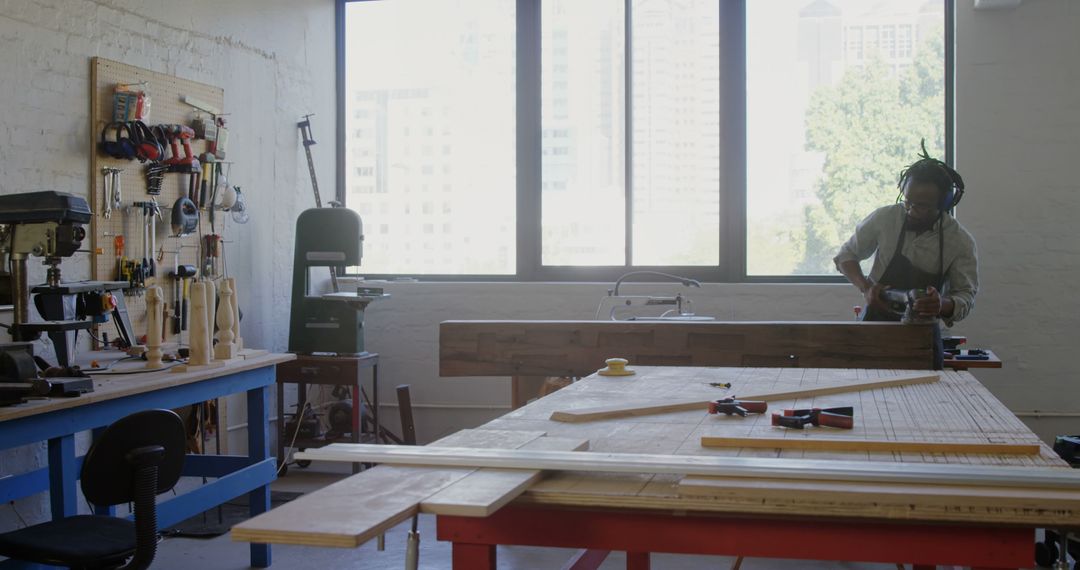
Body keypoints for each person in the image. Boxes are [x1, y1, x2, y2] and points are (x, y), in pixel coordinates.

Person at [833, 143, 979, 366]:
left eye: (921, 206)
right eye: (907, 201)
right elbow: (846, 256)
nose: (910, 210)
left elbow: (965, 296)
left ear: (943, 204)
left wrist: (941, 304)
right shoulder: (885, 218)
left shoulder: (959, 241)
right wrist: (867, 288)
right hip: (873, 329)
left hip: (923, 338)